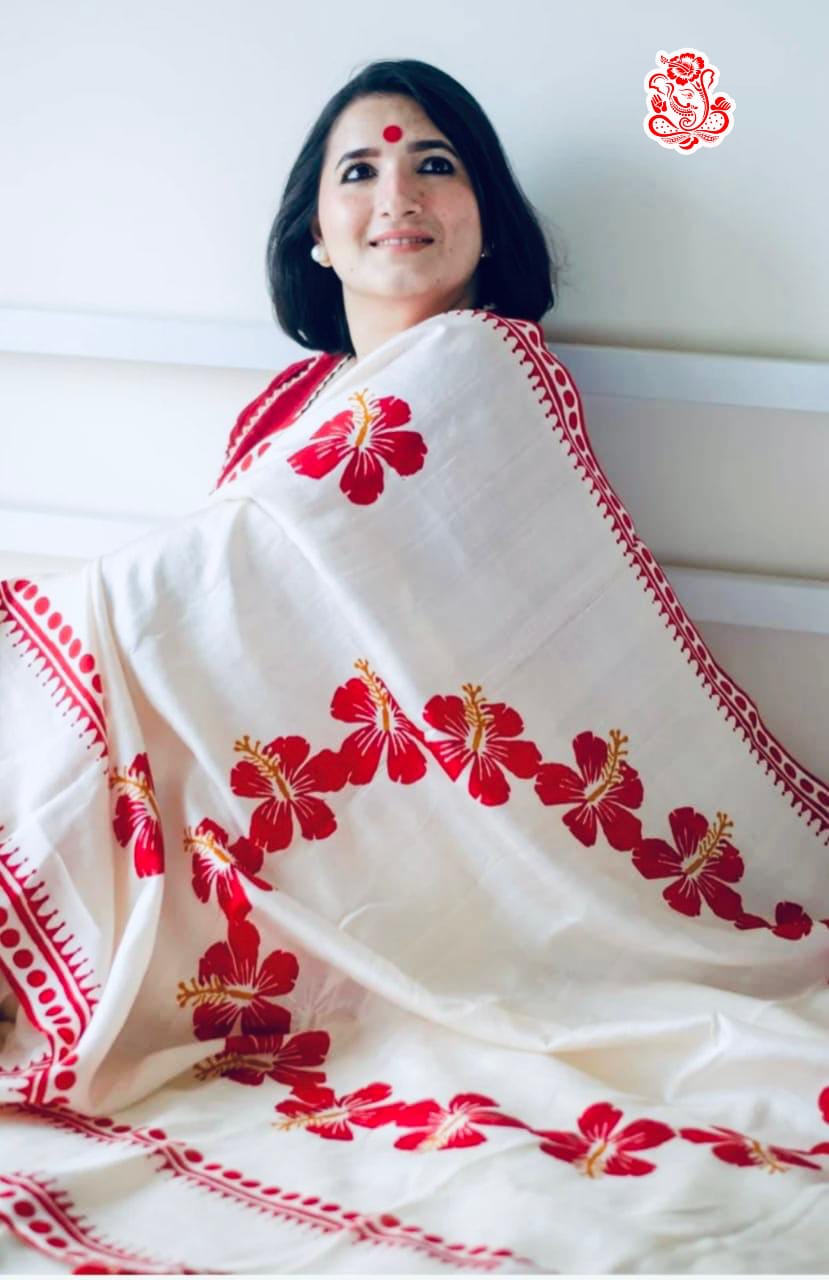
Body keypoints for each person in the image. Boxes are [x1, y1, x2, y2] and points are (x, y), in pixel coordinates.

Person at [1, 59, 827, 1278]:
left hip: (414, 859)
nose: (398, 192)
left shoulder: (483, 370)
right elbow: (232, 631)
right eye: (361, 169)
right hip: (254, 799)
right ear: (317, 234)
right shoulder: (295, 399)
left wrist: (43, 631)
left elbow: (200, 592)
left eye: (434, 164)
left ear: (486, 219)